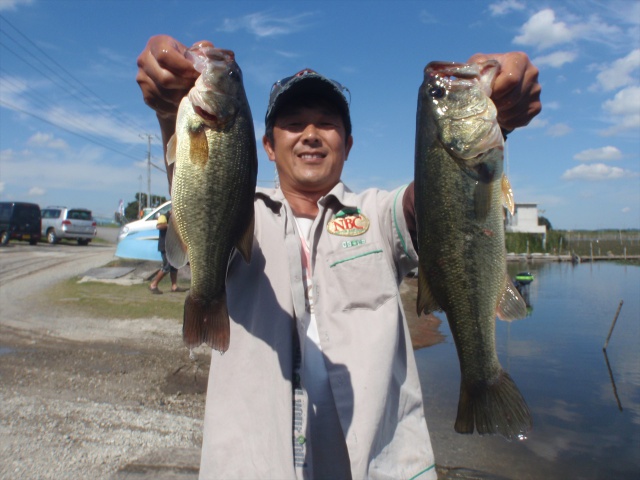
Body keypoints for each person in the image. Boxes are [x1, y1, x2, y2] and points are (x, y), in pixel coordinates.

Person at [136, 35, 541, 479]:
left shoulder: (379, 215)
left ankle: (482, 383)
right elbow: (196, 180)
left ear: (348, 144)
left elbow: (440, 200)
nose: (310, 134)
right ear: (268, 146)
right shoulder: (237, 211)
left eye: (326, 122)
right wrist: (168, 110)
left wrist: (500, 120)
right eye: (294, 123)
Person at [149, 209, 186, 294]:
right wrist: (170, 226)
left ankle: (174, 286)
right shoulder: (164, 216)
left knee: (174, 267)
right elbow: (159, 226)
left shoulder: (176, 218)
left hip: (174, 247)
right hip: (165, 247)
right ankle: (153, 285)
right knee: (167, 266)